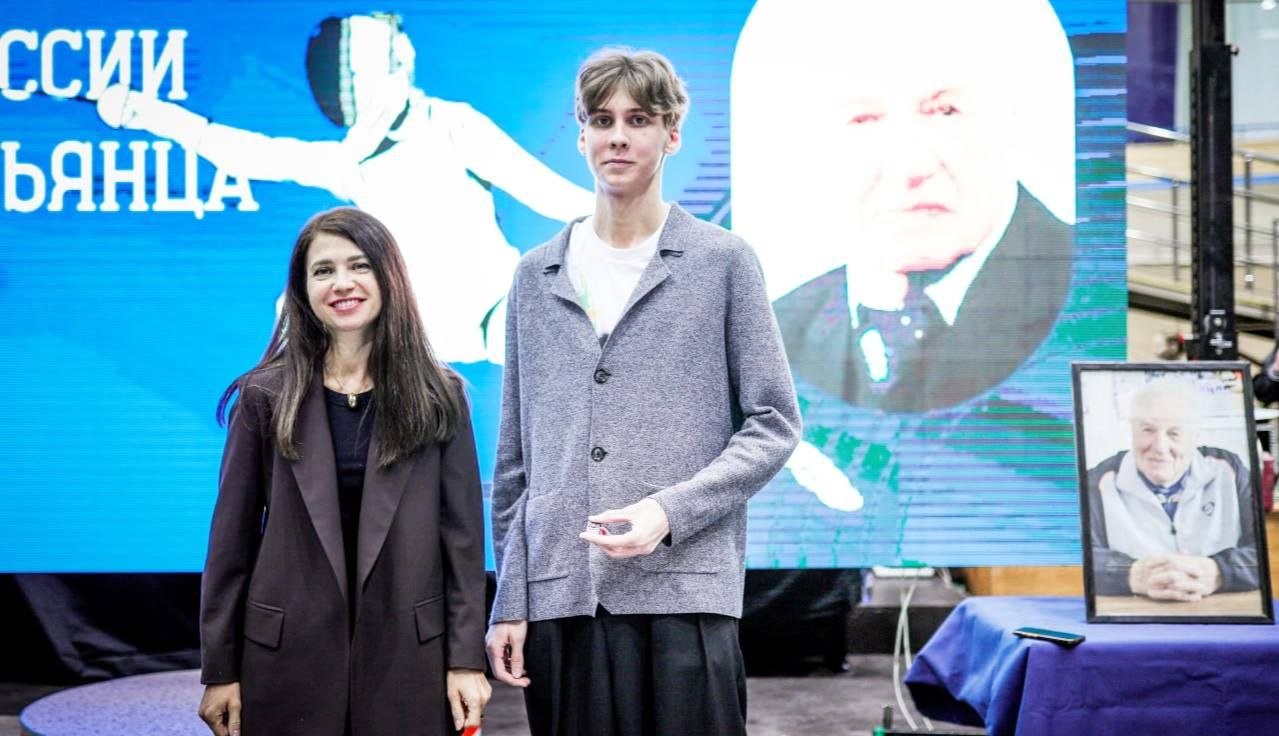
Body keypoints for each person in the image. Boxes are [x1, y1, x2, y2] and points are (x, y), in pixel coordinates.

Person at [485, 49, 800, 735]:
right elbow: (514, 462)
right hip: (564, 598)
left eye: (638, 119)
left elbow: (775, 421)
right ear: (581, 136)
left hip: (685, 592)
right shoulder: (535, 276)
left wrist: (668, 511)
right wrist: (510, 598)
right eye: (602, 120)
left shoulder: (722, 261)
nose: (618, 137)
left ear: (671, 133)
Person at [95, 12, 593, 365]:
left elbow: (541, 189)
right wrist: (148, 113)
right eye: (361, 67)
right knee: (293, 308)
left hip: (499, 315)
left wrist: (625, 222)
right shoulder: (350, 164)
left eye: (387, 55)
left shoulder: (449, 124)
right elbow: (251, 154)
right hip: (418, 346)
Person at [197, 207, 489, 735]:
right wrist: (220, 670)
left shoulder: (439, 397)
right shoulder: (264, 396)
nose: (342, 283)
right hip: (285, 661)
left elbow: (463, 543)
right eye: (323, 270)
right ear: (302, 289)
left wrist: (466, 661)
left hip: (410, 660)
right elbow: (230, 545)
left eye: (359, 266)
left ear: (388, 276)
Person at [731, 0, 1076, 414]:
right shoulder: (777, 332)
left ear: (1010, 119)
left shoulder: (1087, 294)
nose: (909, 167)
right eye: (864, 119)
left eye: (945, 111)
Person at [1087, 379, 1260, 601]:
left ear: (1194, 436)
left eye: (1174, 433)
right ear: (1132, 431)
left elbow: (1265, 553)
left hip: (1223, 611)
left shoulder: (1229, 470)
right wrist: (1131, 573)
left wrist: (1218, 571)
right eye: (1147, 430)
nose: (1160, 447)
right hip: (1133, 614)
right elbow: (1080, 559)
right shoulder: (1098, 481)